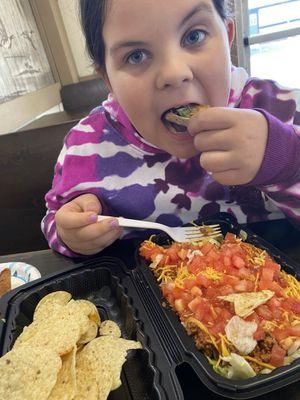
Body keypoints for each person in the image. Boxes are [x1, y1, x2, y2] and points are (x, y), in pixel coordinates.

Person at [42, 0, 300, 257]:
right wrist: (71, 234)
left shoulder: (281, 109)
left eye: (193, 36)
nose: (174, 73)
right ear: (108, 79)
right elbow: (56, 219)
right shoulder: (86, 146)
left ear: (228, 35)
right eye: (136, 56)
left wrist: (286, 161)